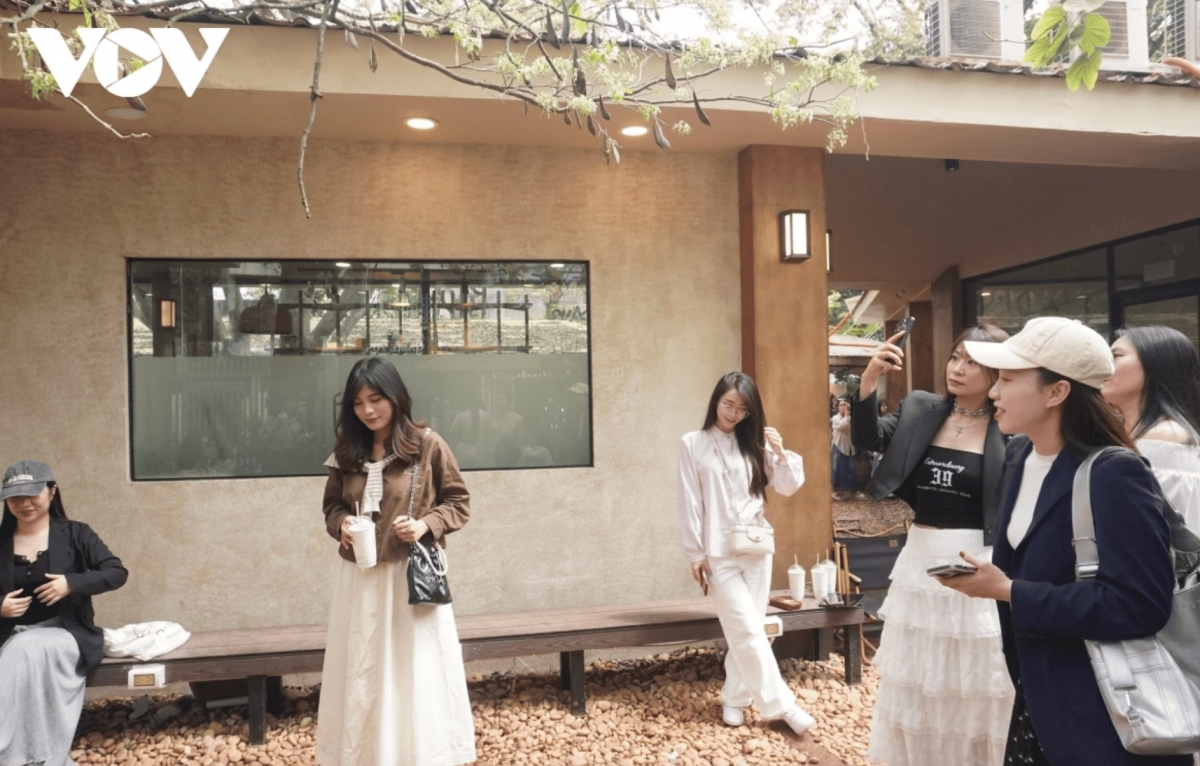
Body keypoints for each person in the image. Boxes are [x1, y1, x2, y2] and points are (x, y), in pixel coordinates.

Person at [942, 317, 1189, 766]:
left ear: (1056, 392)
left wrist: (1009, 591)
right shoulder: (1019, 454)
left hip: (1110, 716)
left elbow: (1140, 605)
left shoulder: (1115, 473)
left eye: (1008, 379)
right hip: (1039, 699)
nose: (994, 392)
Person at [851, 325, 1014, 766]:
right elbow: (869, 439)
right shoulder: (922, 407)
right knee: (919, 675)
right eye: (955, 357)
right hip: (920, 557)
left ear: (997, 372)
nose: (958, 369)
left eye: (973, 362)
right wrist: (868, 382)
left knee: (977, 676)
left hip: (979, 560)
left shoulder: (1010, 427)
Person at [316, 358, 476, 766]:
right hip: (359, 576)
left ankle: (420, 754)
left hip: (409, 578)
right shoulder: (346, 450)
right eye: (357, 402)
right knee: (363, 662)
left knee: (414, 665)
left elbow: (458, 502)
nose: (368, 410)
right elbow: (332, 506)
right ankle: (366, 754)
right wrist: (343, 525)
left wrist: (424, 525)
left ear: (395, 397)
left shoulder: (427, 444)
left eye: (376, 398)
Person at [677, 372, 816, 736]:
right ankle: (783, 706)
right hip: (718, 553)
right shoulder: (693, 443)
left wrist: (780, 453)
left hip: (756, 548)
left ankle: (734, 699)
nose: (733, 413)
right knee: (748, 630)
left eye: (741, 408)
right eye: (727, 404)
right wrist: (694, 552)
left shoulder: (754, 444)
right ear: (715, 402)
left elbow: (787, 487)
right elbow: (690, 501)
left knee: (752, 631)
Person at [0, 460, 128, 766]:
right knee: (19, 651)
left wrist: (72, 583)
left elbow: (116, 572)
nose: (24, 503)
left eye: (33, 494)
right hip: (8, 637)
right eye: (15, 497)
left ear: (52, 491)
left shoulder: (76, 534)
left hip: (65, 634)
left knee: (23, 650)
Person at [1102, 325, 1200, 533]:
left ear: (1156, 365)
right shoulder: (1128, 432)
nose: (1103, 365)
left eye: (1116, 355)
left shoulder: (1166, 437)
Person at [830, 399, 856, 501]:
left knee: (850, 469)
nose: (843, 407)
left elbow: (850, 427)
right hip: (837, 446)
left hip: (848, 446)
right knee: (835, 470)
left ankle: (852, 492)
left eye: (845, 405)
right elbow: (843, 426)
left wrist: (847, 415)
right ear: (838, 407)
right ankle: (833, 492)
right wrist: (846, 415)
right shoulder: (835, 418)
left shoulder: (849, 418)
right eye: (841, 405)